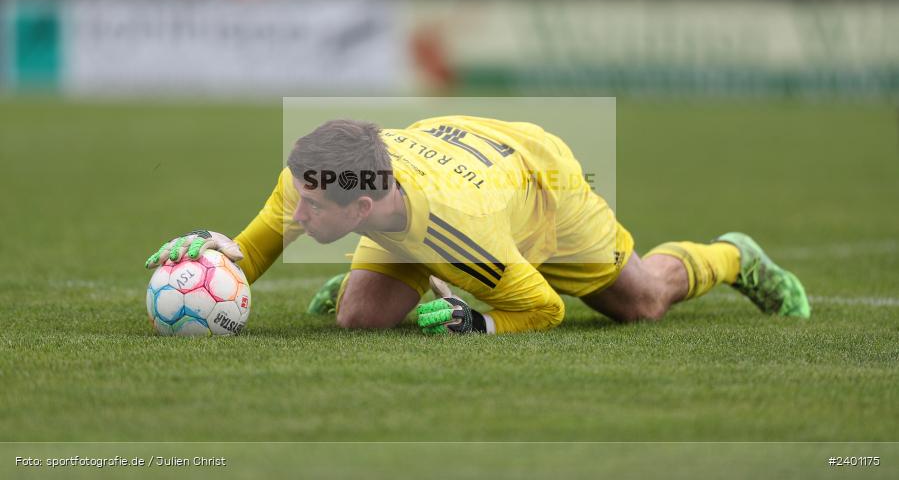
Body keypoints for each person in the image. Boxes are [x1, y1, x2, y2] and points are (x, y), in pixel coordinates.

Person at [146, 116, 810, 335]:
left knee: (638, 303)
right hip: (447, 170)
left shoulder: (463, 233)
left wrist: (481, 321)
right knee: (357, 322)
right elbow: (264, 239)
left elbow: (543, 309)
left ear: (361, 210)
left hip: (538, 185)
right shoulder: (315, 173)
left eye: (314, 211)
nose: (297, 214)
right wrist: (220, 257)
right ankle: (433, 281)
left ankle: (732, 255)